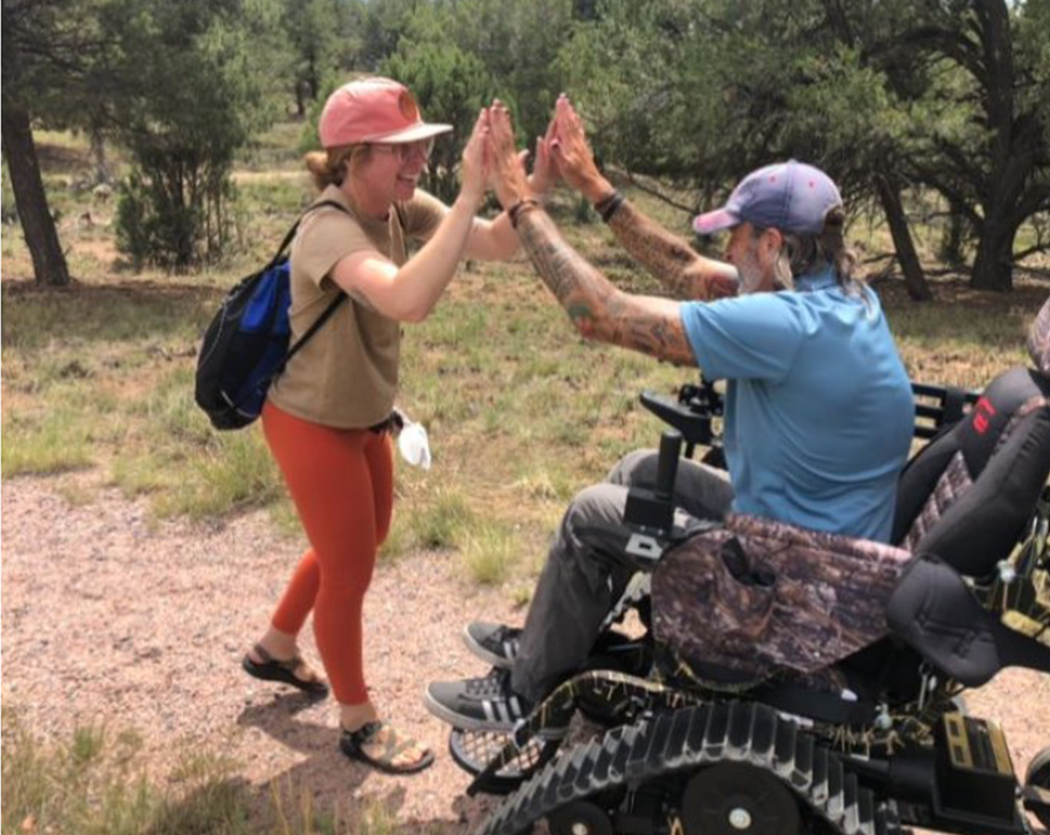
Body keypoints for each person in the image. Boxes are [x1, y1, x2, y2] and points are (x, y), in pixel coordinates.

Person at [425, 97, 915, 732]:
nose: (726, 244)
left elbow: (597, 315)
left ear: (772, 243)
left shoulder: (785, 323)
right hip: (813, 534)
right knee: (637, 472)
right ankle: (555, 639)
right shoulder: (844, 295)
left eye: (737, 234)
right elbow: (687, 270)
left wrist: (522, 203)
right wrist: (595, 188)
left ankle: (529, 697)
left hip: (791, 573)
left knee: (587, 516)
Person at [242, 79, 547, 774]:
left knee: (360, 540)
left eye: (422, 147)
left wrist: (532, 179)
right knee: (349, 568)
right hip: (309, 421)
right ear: (352, 155)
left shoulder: (398, 210)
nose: (418, 161)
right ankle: (358, 720)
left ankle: (276, 646)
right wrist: (469, 192)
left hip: (364, 417)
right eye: (400, 150)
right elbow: (406, 300)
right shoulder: (329, 228)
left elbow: (500, 244)